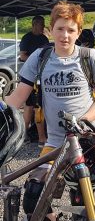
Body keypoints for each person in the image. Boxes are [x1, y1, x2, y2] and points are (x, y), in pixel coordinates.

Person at [5, 1, 95, 221]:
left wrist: (84, 120)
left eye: (71, 30)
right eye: (60, 29)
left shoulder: (90, 57)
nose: (65, 35)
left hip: (86, 140)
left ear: (78, 32)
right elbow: (19, 96)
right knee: (34, 197)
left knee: (82, 203)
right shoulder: (40, 57)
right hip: (54, 143)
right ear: (51, 29)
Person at [19, 15, 49, 147]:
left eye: (44, 24)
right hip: (29, 76)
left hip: (42, 77)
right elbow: (22, 56)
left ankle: (41, 134)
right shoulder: (27, 38)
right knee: (30, 106)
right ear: (34, 24)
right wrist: (36, 59)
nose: (43, 27)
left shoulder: (44, 38)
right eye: (41, 24)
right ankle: (24, 134)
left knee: (41, 105)